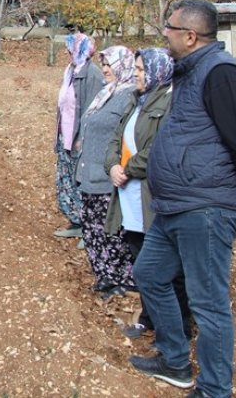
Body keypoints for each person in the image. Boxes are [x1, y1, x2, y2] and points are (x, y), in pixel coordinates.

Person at [129, 0, 236, 396]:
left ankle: (213, 388)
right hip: (176, 205)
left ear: (190, 36)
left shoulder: (223, 74)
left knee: (208, 303)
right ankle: (175, 361)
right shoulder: (190, 73)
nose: (164, 35)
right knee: (149, 274)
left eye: (169, 29)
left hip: (205, 207)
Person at [104, 47, 191, 337]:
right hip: (128, 197)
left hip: (150, 196)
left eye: (141, 70)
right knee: (140, 258)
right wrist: (113, 166)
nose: (137, 74)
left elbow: (158, 149)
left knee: (166, 267)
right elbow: (116, 138)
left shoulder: (169, 103)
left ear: (157, 72)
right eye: (137, 70)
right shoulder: (135, 101)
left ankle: (179, 324)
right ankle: (150, 318)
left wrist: (128, 169)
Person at [74, 46, 136, 298]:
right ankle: (105, 276)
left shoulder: (129, 96)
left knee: (111, 232)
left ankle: (121, 279)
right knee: (92, 229)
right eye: (104, 64)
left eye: (110, 64)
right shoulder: (106, 93)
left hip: (107, 178)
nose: (105, 69)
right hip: (89, 174)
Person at [54, 33, 104, 238]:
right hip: (65, 136)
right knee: (66, 180)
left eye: (71, 48)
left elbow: (93, 111)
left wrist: (81, 139)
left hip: (78, 139)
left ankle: (88, 228)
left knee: (80, 182)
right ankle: (75, 221)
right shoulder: (71, 70)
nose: (67, 52)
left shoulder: (92, 74)